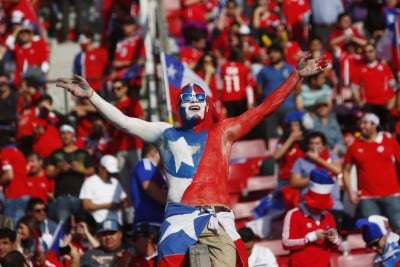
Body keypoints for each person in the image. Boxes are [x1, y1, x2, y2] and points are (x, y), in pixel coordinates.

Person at [56, 55, 329, 267]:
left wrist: (295, 76)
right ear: (178, 106)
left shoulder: (224, 131)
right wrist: (92, 96)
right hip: (179, 216)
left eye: (199, 99)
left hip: (219, 216)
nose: (194, 102)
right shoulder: (165, 133)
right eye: (188, 99)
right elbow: (125, 122)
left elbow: (264, 109)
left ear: (207, 105)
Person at [343, 113, 400, 231]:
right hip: (367, 197)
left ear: (374, 125)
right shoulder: (354, 146)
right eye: (361, 123)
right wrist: (350, 192)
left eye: (365, 123)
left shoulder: (389, 142)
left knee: (398, 227)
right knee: (374, 234)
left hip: (392, 194)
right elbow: (346, 171)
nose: (362, 126)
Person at [282, 169, 339, 267]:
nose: (319, 209)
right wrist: (310, 237)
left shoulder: (328, 216)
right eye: (316, 206)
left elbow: (336, 246)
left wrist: (334, 239)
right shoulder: (294, 215)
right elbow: (286, 243)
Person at [45, 124, 95, 221]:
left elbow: (92, 170)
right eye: (62, 133)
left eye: (68, 133)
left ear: (73, 135)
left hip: (80, 195)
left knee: (81, 224)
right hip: (61, 196)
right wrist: (59, 169)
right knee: (63, 226)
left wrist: (80, 169)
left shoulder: (83, 153)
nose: (65, 136)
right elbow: (49, 173)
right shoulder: (55, 153)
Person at [79, 154, 128, 224]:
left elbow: (124, 201)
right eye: (109, 173)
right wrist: (107, 206)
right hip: (98, 222)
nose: (111, 175)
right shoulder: (90, 182)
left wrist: (121, 204)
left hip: (116, 222)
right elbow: (86, 206)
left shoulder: (116, 182)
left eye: (112, 173)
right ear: (101, 168)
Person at [130, 143, 167, 227]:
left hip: (156, 223)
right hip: (149, 223)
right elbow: (148, 185)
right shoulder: (146, 163)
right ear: (153, 152)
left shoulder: (156, 169)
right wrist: (170, 203)